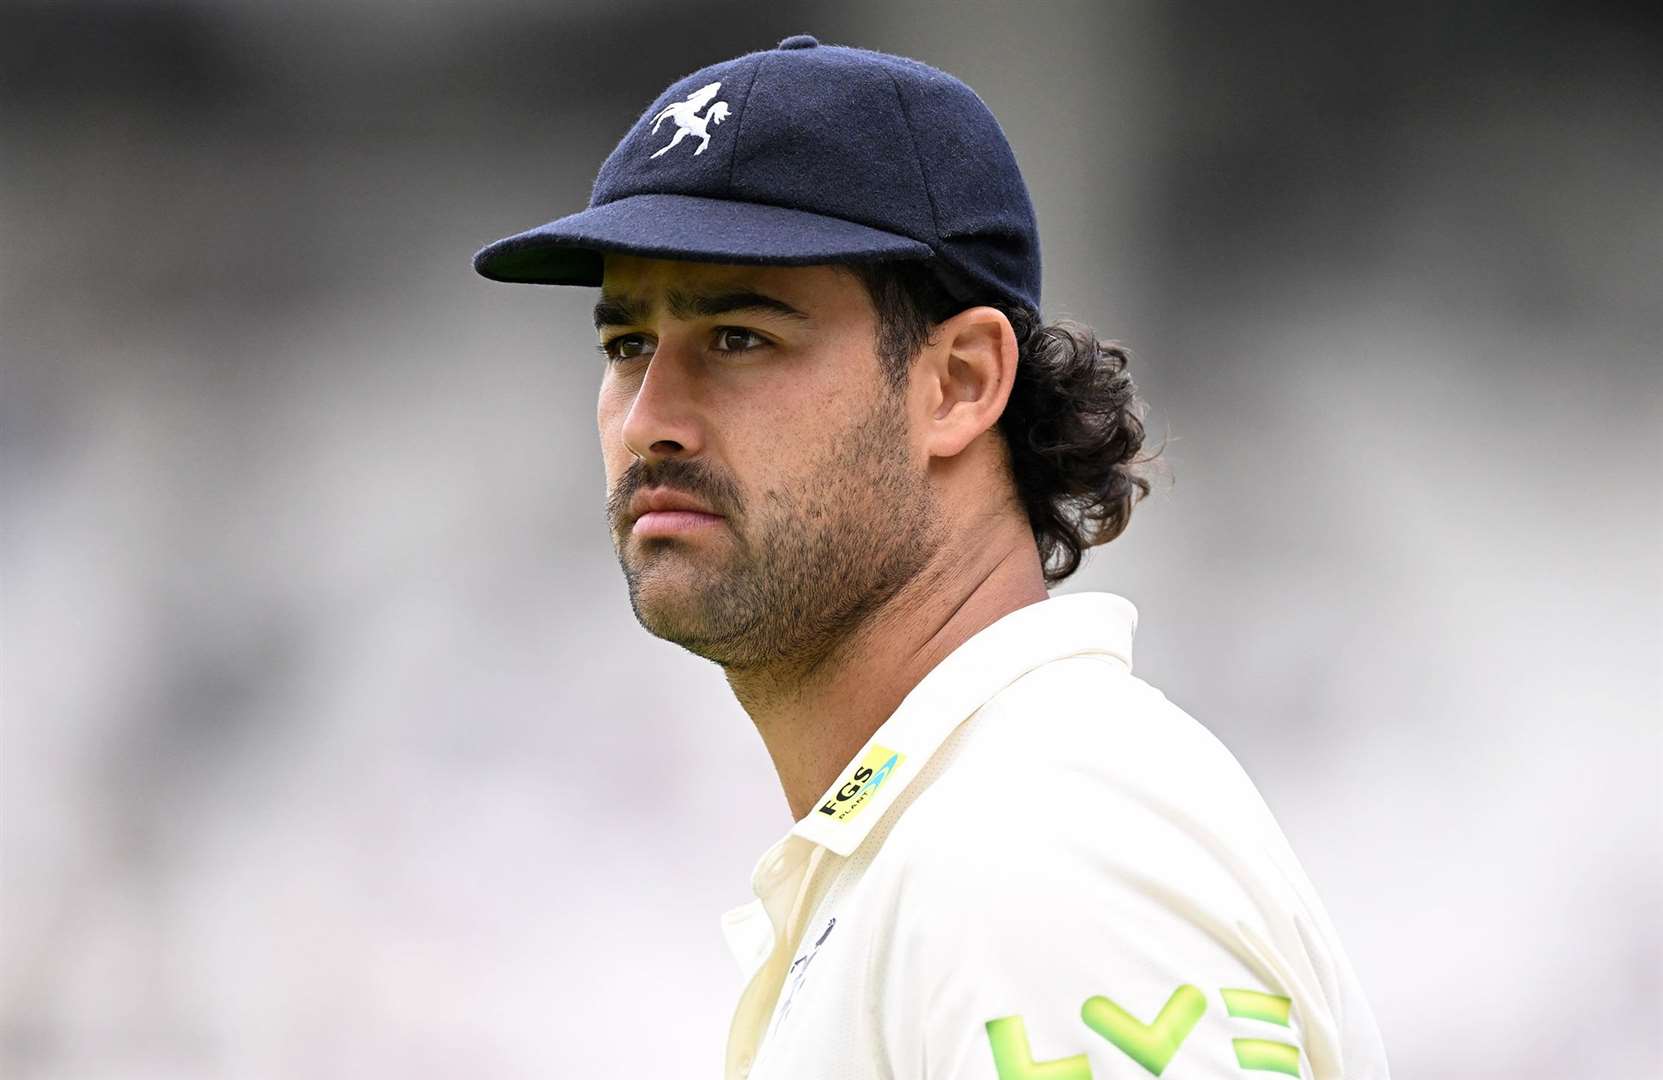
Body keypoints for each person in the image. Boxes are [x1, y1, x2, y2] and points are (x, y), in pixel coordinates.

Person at [471, 33, 1391, 1080]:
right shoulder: (956, 834)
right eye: (626, 344)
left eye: (738, 336)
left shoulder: (1039, 847)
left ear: (957, 383)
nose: (650, 421)